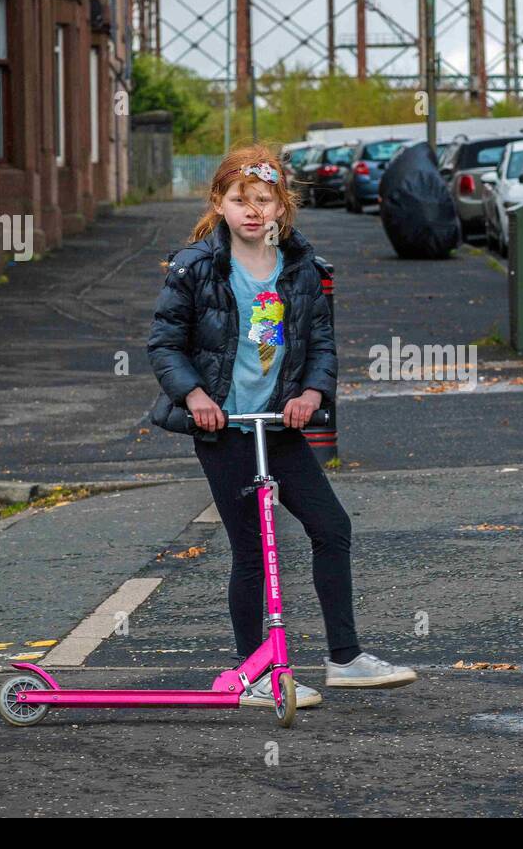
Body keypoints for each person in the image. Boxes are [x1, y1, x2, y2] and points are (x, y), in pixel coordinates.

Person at [148, 144, 416, 708]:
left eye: (264, 201)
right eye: (240, 200)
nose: (253, 212)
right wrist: (195, 396)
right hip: (226, 430)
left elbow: (320, 343)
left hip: (279, 427)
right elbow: (165, 345)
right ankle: (255, 673)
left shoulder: (300, 268)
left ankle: (345, 658)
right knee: (252, 553)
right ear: (219, 203)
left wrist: (312, 393)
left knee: (331, 525)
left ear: (280, 208)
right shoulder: (194, 267)